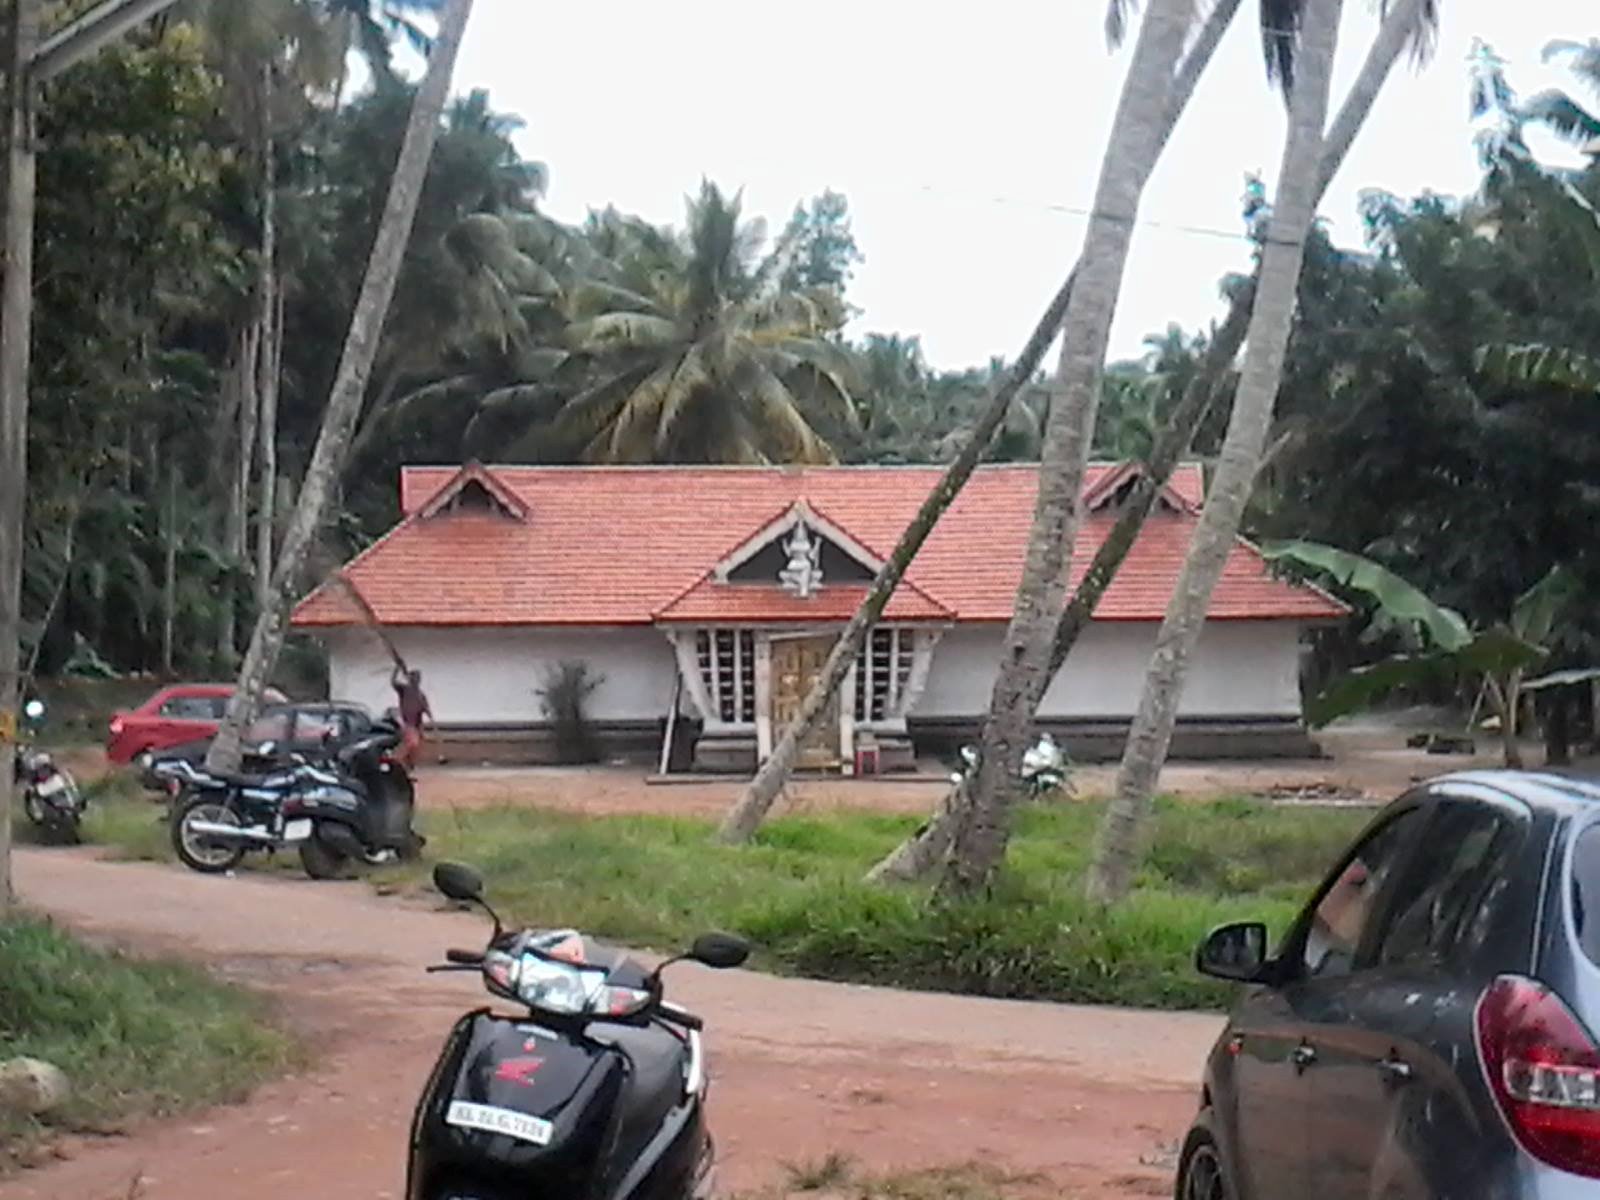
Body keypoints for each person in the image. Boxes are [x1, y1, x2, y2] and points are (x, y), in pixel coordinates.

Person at [391, 665, 433, 768]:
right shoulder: (404, 690)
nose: (417, 680)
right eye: (414, 677)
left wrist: (428, 719)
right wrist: (396, 670)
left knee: (415, 747)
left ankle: (408, 765)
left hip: (416, 725)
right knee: (411, 744)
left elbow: (425, 709)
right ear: (410, 679)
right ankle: (394, 759)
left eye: (418, 678)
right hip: (406, 723)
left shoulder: (420, 694)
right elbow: (393, 683)